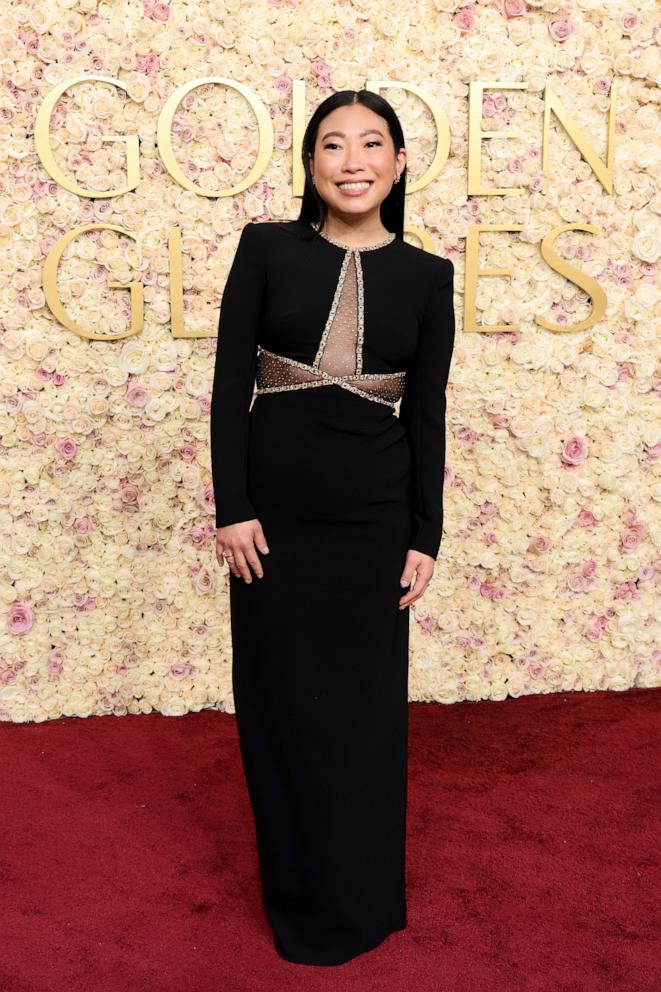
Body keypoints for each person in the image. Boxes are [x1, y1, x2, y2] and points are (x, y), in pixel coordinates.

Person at [209, 89, 456, 966]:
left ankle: (359, 899)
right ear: (310, 165)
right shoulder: (265, 248)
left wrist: (425, 534)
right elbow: (230, 384)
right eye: (331, 146)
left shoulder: (428, 277)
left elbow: (425, 414)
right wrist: (230, 505)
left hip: (372, 522)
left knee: (362, 714)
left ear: (397, 162)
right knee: (278, 704)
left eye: (371, 144)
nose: (352, 161)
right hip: (271, 525)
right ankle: (298, 898)